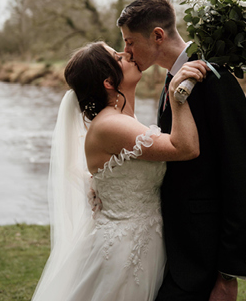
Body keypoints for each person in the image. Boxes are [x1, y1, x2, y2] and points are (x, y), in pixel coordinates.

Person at [118, 0, 246, 301]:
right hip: (179, 249)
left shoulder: (214, 79)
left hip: (205, 252)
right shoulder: (173, 77)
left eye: (130, 42)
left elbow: (240, 174)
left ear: (157, 36)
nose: (126, 51)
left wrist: (228, 275)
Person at [32, 41, 209, 301]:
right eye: (117, 57)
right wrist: (176, 96)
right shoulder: (111, 125)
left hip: (145, 241)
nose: (127, 53)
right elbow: (185, 148)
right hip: (124, 252)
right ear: (108, 82)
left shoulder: (122, 122)